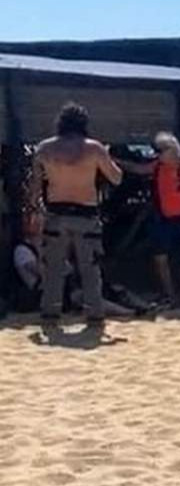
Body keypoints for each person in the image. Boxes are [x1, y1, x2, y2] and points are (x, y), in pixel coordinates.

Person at [25, 102, 123, 328]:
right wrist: (107, 156)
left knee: (53, 268)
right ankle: (94, 314)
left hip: (56, 212)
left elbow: (35, 186)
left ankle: (50, 313)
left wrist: (34, 208)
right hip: (86, 214)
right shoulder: (94, 148)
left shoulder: (44, 148)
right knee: (90, 268)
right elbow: (116, 178)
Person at [120, 132, 180, 307]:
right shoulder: (157, 167)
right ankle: (169, 294)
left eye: (160, 151)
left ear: (172, 150)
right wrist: (115, 161)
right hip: (163, 219)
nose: (156, 155)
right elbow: (138, 169)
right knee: (160, 257)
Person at [12, 210, 135, 317]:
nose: (39, 222)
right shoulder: (22, 250)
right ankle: (125, 312)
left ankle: (132, 304)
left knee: (104, 286)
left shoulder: (47, 245)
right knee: (83, 296)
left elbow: (66, 268)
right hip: (44, 293)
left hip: (64, 287)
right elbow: (45, 273)